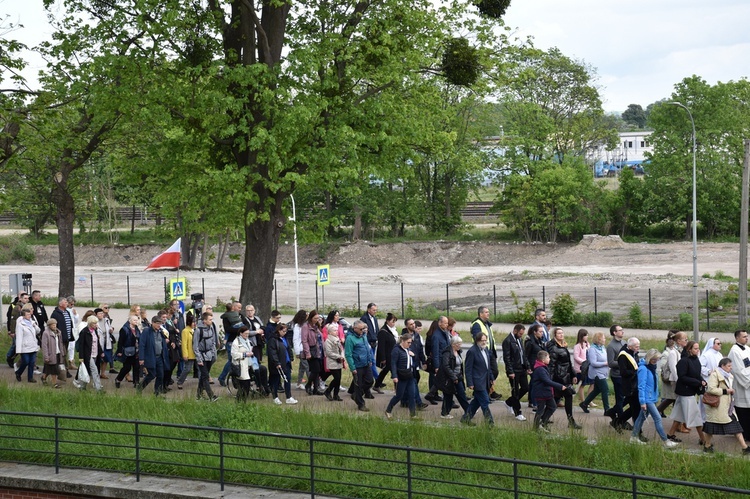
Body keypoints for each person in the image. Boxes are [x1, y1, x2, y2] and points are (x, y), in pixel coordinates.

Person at [629, 349, 680, 448]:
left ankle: (634, 437)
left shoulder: (652, 368)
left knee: (641, 418)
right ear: (649, 358)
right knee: (657, 418)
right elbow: (641, 386)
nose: (656, 361)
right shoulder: (643, 369)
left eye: (657, 359)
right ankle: (665, 441)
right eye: (654, 359)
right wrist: (642, 401)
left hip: (651, 398)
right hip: (647, 399)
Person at [702, 357, 750, 454]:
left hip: (727, 407)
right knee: (711, 427)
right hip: (717, 407)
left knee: (736, 426)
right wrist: (726, 391)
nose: (730, 368)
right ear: (722, 366)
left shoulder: (728, 375)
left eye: (731, 366)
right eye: (729, 366)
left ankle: (745, 447)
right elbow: (710, 389)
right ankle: (707, 445)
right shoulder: (715, 375)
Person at [666, 341, 707, 444]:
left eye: (698, 348)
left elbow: (697, 374)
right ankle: (703, 439)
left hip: (690, 391)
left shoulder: (695, 360)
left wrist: (702, 381)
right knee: (696, 416)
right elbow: (682, 377)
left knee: (679, 415)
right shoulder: (683, 361)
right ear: (689, 350)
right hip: (685, 392)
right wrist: (698, 382)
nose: (698, 351)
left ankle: (670, 434)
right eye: (695, 349)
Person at [546, 327, 582, 429]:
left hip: (566, 377)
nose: (561, 335)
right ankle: (543, 419)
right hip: (559, 378)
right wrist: (549, 380)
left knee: (559, 399)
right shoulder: (554, 348)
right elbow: (551, 365)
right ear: (555, 335)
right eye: (559, 333)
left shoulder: (563, 346)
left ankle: (544, 419)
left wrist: (573, 375)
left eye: (562, 333)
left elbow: (569, 363)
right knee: (557, 399)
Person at [460, 332, 497, 426]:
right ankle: (490, 423)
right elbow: (468, 368)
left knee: (476, 402)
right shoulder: (472, 351)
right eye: (482, 340)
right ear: (477, 341)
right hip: (477, 382)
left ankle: (466, 418)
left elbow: (488, 367)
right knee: (485, 401)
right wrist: (470, 383)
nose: (484, 342)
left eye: (485, 340)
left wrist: (492, 378)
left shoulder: (485, 350)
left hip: (485, 381)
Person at [530, 350, 567, 432]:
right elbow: (547, 381)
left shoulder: (543, 367)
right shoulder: (540, 370)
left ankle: (543, 422)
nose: (549, 359)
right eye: (548, 357)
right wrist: (560, 386)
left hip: (547, 392)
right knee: (540, 410)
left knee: (553, 406)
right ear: (543, 360)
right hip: (541, 393)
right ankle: (536, 427)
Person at [384, 333, 418, 420]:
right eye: (408, 342)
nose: (410, 344)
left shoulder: (408, 350)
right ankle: (388, 410)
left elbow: (411, 363)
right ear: (402, 341)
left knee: (412, 395)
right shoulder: (396, 350)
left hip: (409, 375)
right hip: (401, 376)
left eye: (411, 343)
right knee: (399, 396)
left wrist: (413, 356)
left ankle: (413, 415)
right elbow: (393, 364)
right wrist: (394, 376)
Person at [471, 306, 501, 400]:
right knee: (488, 372)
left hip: (490, 352)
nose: (488, 313)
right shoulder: (477, 324)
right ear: (481, 314)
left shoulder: (487, 324)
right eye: (486, 312)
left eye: (488, 312)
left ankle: (488, 391)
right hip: (483, 352)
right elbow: (477, 338)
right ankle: (485, 393)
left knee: (493, 372)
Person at [437, 335, 470, 419]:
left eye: (460, 343)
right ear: (453, 344)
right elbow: (446, 366)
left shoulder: (458, 352)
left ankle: (469, 410)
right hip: (449, 379)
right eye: (458, 344)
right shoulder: (447, 353)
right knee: (448, 396)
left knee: (461, 394)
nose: (460, 345)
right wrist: (453, 377)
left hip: (458, 377)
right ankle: (444, 413)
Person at [502, 324, 530, 421]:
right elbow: (507, 358)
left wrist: (527, 366)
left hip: (521, 369)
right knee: (515, 390)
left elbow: (523, 354)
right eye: (520, 333)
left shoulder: (519, 339)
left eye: (522, 334)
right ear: (515, 331)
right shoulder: (508, 341)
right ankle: (518, 412)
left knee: (526, 387)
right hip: (513, 370)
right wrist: (510, 371)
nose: (521, 335)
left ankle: (509, 402)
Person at [138, 315, 171, 397]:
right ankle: (140, 387)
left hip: (159, 357)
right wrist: (141, 358)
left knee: (160, 375)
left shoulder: (160, 331)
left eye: (160, 324)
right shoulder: (146, 332)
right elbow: (142, 345)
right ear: (152, 323)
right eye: (157, 323)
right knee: (152, 374)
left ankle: (157, 393)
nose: (159, 325)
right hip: (150, 356)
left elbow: (163, 342)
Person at [344, 320, 373, 412]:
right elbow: (348, 354)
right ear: (355, 328)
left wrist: (369, 360)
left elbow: (367, 349)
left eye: (364, 329)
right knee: (358, 385)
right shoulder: (350, 338)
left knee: (370, 381)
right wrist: (353, 368)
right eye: (361, 329)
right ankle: (361, 404)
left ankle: (357, 395)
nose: (363, 331)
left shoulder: (363, 336)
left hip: (366, 364)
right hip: (357, 365)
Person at [267, 323, 298, 405]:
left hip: (286, 363)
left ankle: (289, 397)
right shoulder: (273, 340)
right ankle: (275, 397)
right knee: (276, 381)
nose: (285, 333)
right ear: (279, 330)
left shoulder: (284, 338)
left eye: (286, 331)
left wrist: (291, 357)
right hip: (277, 364)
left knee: (287, 379)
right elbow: (272, 353)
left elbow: (288, 348)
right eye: (283, 331)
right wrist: (277, 362)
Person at [614, 337, 640, 433]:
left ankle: (617, 421)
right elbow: (623, 372)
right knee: (635, 409)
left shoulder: (633, 352)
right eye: (636, 347)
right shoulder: (623, 356)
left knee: (634, 408)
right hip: (629, 386)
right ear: (630, 346)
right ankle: (638, 432)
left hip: (635, 385)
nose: (638, 348)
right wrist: (635, 371)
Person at [728, 329, 750, 441]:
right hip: (742, 385)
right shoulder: (734, 351)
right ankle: (745, 434)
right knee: (743, 411)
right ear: (737, 338)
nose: (746, 338)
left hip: (748, 383)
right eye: (744, 337)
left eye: (747, 336)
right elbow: (737, 370)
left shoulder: (747, 348)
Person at [657, 330, 684, 418]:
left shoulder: (677, 351)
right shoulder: (668, 353)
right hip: (670, 380)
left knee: (672, 399)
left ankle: (659, 413)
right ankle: (657, 413)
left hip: (673, 379)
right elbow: (664, 366)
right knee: (670, 399)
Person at [193, 312, 219, 401]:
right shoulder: (198, 331)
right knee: (205, 376)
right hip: (201, 356)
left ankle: (198, 395)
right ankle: (211, 396)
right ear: (204, 321)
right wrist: (198, 359)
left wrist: (213, 354)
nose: (211, 321)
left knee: (204, 376)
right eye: (210, 320)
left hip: (209, 356)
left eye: (212, 319)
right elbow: (195, 346)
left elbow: (213, 342)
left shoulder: (211, 328)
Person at [605, 324, 627, 428]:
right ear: (614, 333)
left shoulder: (624, 343)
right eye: (620, 330)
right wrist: (623, 364)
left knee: (626, 397)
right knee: (620, 398)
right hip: (617, 375)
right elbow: (610, 363)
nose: (622, 332)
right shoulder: (611, 346)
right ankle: (621, 420)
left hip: (625, 375)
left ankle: (612, 411)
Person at [426, 316, 451, 404]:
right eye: (445, 323)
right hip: (440, 361)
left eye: (447, 323)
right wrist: (436, 366)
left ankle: (432, 394)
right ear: (440, 323)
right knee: (439, 380)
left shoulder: (445, 333)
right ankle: (432, 395)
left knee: (442, 380)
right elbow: (435, 352)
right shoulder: (436, 335)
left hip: (445, 360)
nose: (446, 325)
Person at [75, 315, 103, 391]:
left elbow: (97, 343)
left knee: (87, 371)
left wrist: (101, 352)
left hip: (95, 354)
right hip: (88, 355)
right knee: (95, 370)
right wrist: (81, 357)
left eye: (96, 323)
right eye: (94, 323)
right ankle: (98, 388)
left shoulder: (95, 331)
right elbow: (81, 346)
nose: (96, 325)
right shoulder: (84, 332)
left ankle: (82, 387)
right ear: (90, 323)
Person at [231, 326, 259, 401]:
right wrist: (244, 355)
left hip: (248, 365)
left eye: (248, 334)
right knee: (244, 384)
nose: (247, 335)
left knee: (245, 385)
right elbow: (234, 355)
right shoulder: (236, 342)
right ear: (241, 333)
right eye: (245, 334)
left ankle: (242, 401)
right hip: (241, 365)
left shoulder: (247, 341)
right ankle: (240, 401)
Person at [14, 305, 40, 383]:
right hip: (24, 347)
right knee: (25, 361)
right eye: (28, 314)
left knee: (32, 363)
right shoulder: (20, 325)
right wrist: (18, 350)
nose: (29, 316)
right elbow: (19, 337)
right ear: (23, 316)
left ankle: (30, 377)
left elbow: (38, 331)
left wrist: (34, 325)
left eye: (30, 314)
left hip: (33, 345)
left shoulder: (32, 323)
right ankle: (18, 373)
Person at [301, 310, 324, 395]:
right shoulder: (305, 326)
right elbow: (304, 340)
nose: (317, 320)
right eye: (315, 318)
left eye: (318, 318)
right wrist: (307, 353)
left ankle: (315, 388)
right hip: (311, 350)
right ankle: (308, 385)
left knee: (318, 371)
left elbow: (320, 338)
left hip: (319, 351)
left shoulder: (316, 326)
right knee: (315, 369)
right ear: (311, 318)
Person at [374, 313, 399, 392]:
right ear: (387, 321)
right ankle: (397, 389)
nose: (393, 323)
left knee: (385, 371)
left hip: (393, 354)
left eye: (394, 322)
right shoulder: (383, 331)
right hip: (388, 356)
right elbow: (381, 346)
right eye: (392, 321)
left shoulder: (393, 330)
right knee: (395, 372)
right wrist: (383, 358)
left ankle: (377, 385)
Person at [115, 315, 141, 389]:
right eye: (134, 320)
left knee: (136, 367)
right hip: (127, 351)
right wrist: (119, 351)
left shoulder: (137, 329)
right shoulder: (124, 329)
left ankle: (136, 382)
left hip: (136, 351)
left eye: (137, 320)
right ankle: (118, 379)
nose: (136, 322)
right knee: (127, 367)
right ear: (130, 321)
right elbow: (120, 341)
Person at [323, 323, 346, 401]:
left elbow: (341, 349)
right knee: (336, 378)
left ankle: (336, 394)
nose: (336, 331)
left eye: (336, 330)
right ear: (329, 332)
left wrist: (342, 356)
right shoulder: (328, 341)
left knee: (339, 379)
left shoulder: (337, 339)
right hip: (332, 362)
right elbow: (329, 353)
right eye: (334, 330)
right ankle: (328, 391)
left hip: (339, 362)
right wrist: (338, 356)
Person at [41, 318, 66, 388]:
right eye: (52, 325)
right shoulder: (46, 333)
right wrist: (46, 356)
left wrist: (62, 352)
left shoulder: (58, 332)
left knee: (48, 369)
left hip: (57, 353)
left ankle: (43, 377)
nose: (54, 326)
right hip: (51, 354)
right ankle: (54, 384)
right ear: (49, 326)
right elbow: (44, 346)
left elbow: (60, 343)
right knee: (53, 370)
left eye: (55, 324)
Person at [175, 312, 196, 390]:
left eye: (195, 322)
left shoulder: (194, 330)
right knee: (187, 369)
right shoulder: (185, 331)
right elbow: (184, 344)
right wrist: (185, 354)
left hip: (196, 353)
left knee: (200, 369)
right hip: (189, 353)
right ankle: (180, 382)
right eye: (193, 322)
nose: (194, 324)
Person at [360, 303, 380, 383]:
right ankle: (378, 379)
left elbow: (376, 329)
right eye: (373, 310)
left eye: (376, 310)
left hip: (374, 342)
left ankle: (369, 379)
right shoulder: (364, 318)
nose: (375, 311)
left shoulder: (374, 318)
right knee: (372, 361)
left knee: (371, 361)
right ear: (368, 310)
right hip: (367, 342)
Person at [573, 329, 594, 405]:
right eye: (585, 335)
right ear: (581, 336)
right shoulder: (577, 346)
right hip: (581, 368)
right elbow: (576, 357)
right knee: (582, 385)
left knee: (592, 383)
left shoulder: (588, 344)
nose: (587, 336)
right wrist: (584, 362)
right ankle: (583, 401)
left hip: (589, 368)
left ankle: (589, 400)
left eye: (587, 335)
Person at [290, 309, 309, 390]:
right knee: (307, 367)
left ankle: (299, 382)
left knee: (302, 367)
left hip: (306, 349)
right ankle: (312, 383)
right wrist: (297, 352)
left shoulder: (306, 325)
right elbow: (295, 339)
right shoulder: (297, 326)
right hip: (301, 349)